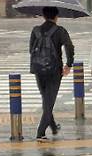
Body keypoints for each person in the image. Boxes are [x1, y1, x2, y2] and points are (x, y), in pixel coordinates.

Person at [29, 7, 74, 142]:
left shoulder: (35, 31)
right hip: (54, 70)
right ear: (56, 16)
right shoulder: (60, 31)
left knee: (46, 99)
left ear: (43, 16)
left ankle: (53, 126)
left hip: (38, 69)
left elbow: (31, 49)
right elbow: (69, 47)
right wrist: (69, 64)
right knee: (49, 101)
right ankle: (40, 132)